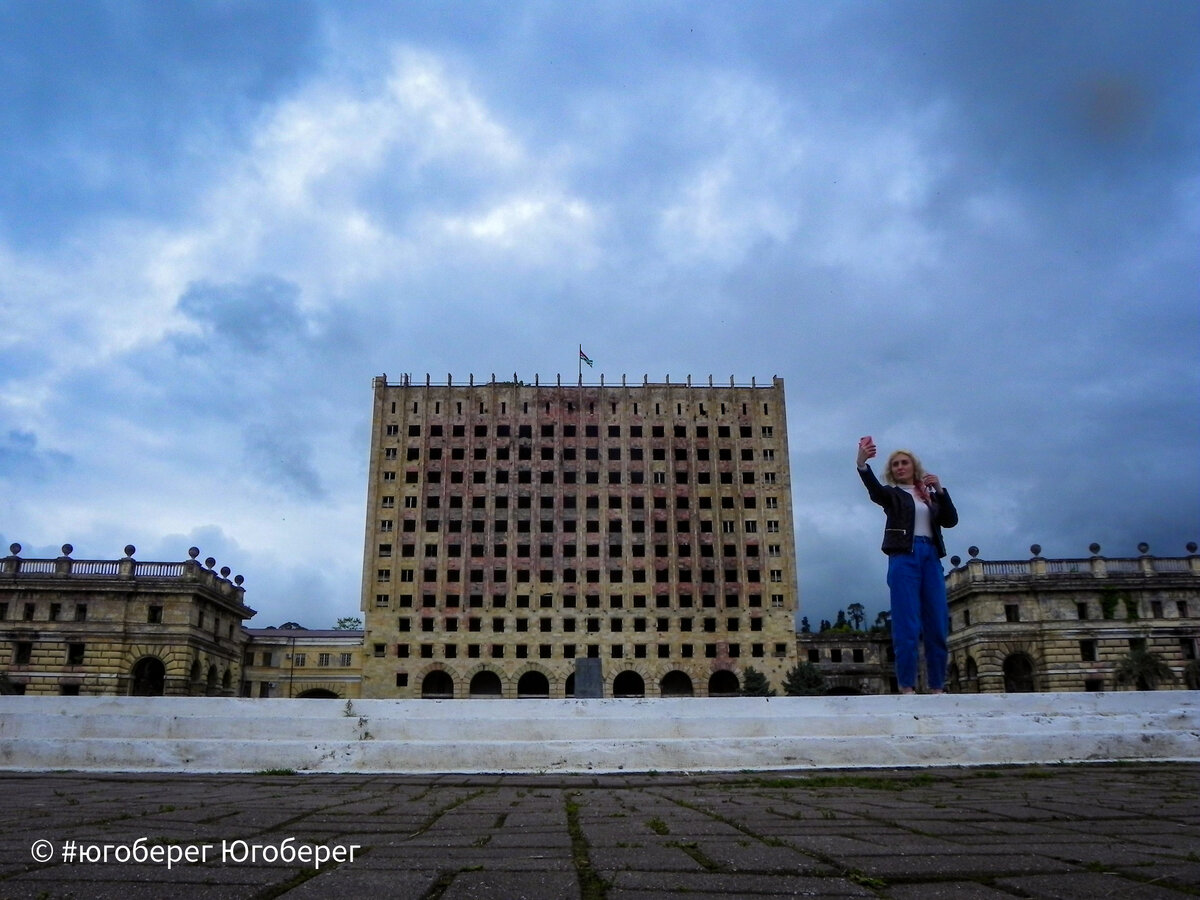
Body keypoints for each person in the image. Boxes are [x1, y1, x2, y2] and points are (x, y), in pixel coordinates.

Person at [856, 436, 958, 694]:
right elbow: (875, 491)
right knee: (907, 623)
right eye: (896, 464)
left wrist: (941, 491)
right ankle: (907, 685)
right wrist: (861, 462)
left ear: (914, 467)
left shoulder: (929, 497)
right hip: (903, 556)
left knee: (937, 622)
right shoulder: (892, 495)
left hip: (931, 556)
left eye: (905, 463)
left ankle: (937, 686)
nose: (900, 467)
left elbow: (950, 521)